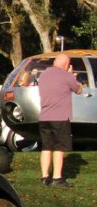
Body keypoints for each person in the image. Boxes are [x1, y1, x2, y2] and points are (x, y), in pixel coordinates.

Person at [37, 53, 90, 187]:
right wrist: (71, 75)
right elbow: (78, 89)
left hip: (44, 117)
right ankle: (57, 178)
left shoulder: (44, 75)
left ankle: (44, 177)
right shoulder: (66, 76)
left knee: (46, 147)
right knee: (59, 148)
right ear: (67, 64)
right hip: (60, 117)